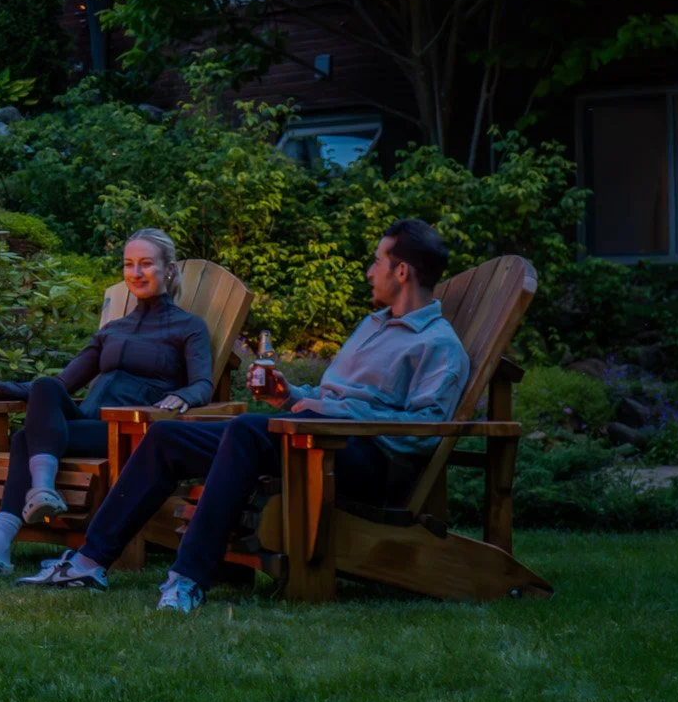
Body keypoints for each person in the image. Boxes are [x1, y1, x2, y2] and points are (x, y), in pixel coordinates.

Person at [26, 218, 468, 613]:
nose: (370, 271)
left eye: (377, 261)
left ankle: (188, 579)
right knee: (166, 438)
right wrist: (289, 394)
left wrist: (329, 410)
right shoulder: (373, 326)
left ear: (402, 271)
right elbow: (328, 393)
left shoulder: (438, 346)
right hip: (310, 435)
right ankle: (88, 562)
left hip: (362, 458)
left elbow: (421, 433)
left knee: (245, 429)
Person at [0, 228, 212, 578]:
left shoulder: (188, 327)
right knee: (45, 386)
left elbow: (203, 384)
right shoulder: (112, 330)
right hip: (87, 423)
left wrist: (185, 396)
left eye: (146, 264)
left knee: (25, 439)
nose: (136, 273)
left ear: (169, 270)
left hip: (126, 432)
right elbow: (63, 384)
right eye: (129, 264)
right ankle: (41, 491)